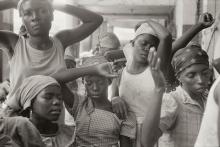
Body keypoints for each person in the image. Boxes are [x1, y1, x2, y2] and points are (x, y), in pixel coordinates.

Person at [0, 0, 103, 113]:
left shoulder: (60, 41)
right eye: (28, 13)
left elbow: (95, 20)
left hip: (52, 119)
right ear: (22, 18)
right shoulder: (14, 44)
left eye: (43, 11)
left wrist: (56, 5)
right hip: (16, 119)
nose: (35, 17)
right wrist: (11, 3)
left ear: (52, 15)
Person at [110, 20, 171, 147]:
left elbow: (166, 37)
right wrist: (115, 99)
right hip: (125, 134)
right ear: (133, 43)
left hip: (150, 131)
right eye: (143, 43)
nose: (147, 48)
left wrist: (148, 20)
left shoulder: (156, 70)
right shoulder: (121, 74)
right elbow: (113, 100)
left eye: (152, 46)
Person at [141, 44, 212, 147]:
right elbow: (148, 141)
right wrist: (158, 89)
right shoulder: (173, 101)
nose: (200, 80)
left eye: (205, 73)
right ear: (179, 77)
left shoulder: (209, 99)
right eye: (191, 75)